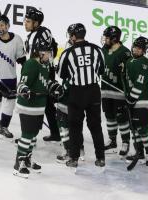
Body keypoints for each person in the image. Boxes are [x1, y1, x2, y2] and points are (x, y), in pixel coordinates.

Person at [57, 23, 106, 168]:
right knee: (96, 126)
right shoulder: (97, 49)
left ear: (73, 36)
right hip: (93, 92)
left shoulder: (67, 53)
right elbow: (102, 70)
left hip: (76, 93)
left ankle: (74, 158)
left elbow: (61, 74)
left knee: (75, 127)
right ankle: (100, 158)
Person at [13, 41, 64, 178]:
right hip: (28, 106)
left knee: (34, 134)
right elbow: (22, 84)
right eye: (48, 52)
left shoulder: (45, 65)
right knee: (27, 134)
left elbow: (45, 81)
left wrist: (53, 86)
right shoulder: (31, 64)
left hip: (39, 106)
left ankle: (27, 159)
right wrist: (25, 90)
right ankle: (19, 164)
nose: (50, 55)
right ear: (40, 53)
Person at [24, 7, 60, 142]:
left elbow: (40, 58)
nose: (25, 23)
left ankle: (31, 136)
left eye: (28, 21)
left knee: (35, 103)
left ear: (36, 23)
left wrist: (32, 71)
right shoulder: (41, 33)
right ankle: (55, 133)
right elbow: (53, 49)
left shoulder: (39, 34)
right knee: (48, 105)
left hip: (40, 74)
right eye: (25, 21)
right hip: (44, 72)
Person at [124, 36, 148, 169]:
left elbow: (140, 83)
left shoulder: (144, 63)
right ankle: (139, 153)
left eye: (139, 48)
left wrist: (131, 98)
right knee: (134, 129)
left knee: (143, 130)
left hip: (142, 102)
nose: (136, 50)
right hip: (132, 101)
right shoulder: (130, 61)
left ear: (144, 50)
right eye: (135, 47)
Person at [100, 26, 131, 156]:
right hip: (105, 91)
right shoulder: (104, 50)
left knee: (122, 118)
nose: (104, 40)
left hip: (119, 93)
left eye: (107, 37)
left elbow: (131, 73)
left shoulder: (125, 53)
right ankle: (112, 142)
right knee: (109, 117)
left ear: (114, 39)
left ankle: (125, 142)